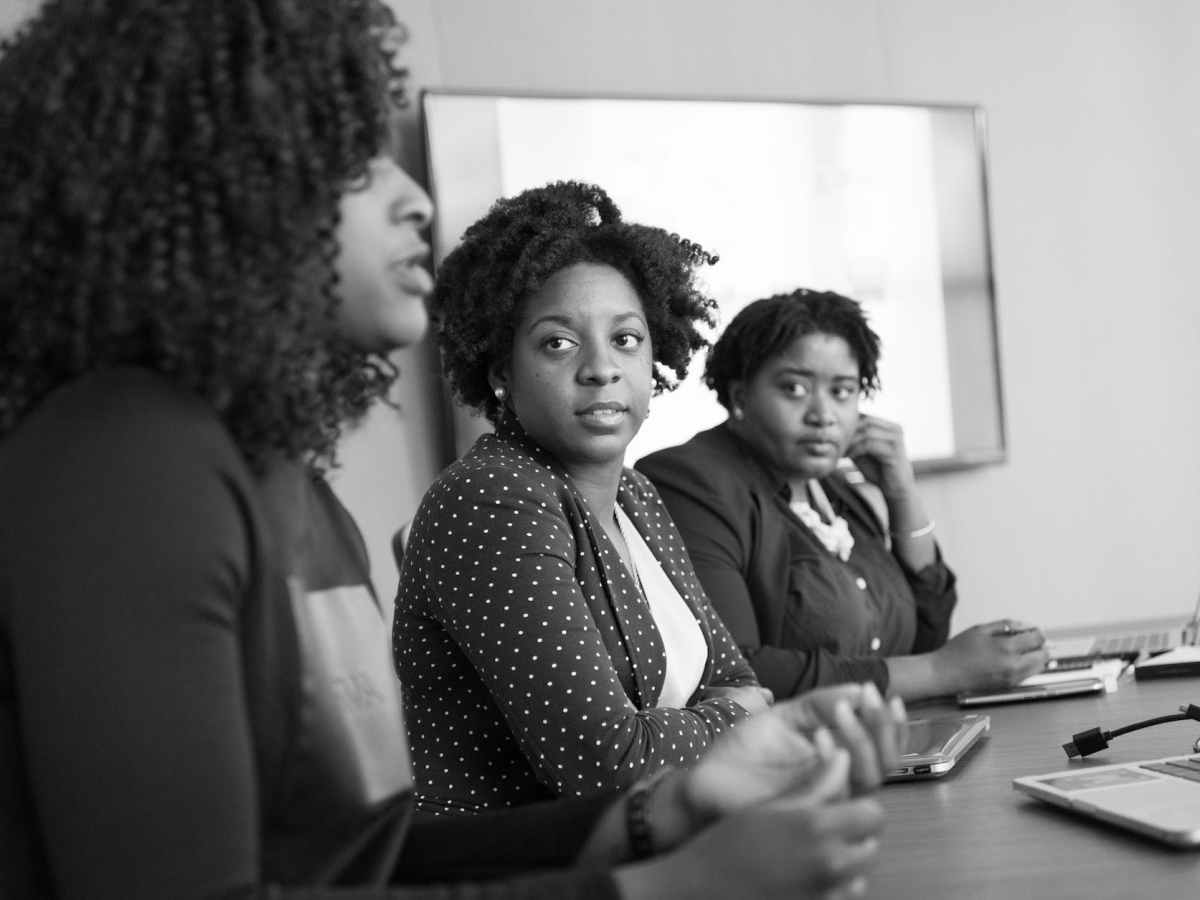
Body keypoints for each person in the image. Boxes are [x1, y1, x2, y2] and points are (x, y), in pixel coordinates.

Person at [0, 3, 903, 898]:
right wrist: (664, 885)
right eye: (356, 159)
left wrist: (661, 814)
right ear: (206, 189)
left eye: (626, 340)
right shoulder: (124, 465)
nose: (416, 199)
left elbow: (356, 862)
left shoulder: (293, 487)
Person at [396, 181, 783, 814]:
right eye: (558, 342)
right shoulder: (491, 497)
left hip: (659, 843)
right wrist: (731, 720)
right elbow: (605, 765)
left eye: (626, 339)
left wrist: (727, 710)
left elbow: (736, 677)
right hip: (526, 873)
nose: (601, 368)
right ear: (500, 372)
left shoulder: (635, 495)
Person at [637, 289, 1049, 701]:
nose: (823, 415)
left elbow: (922, 637)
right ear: (741, 395)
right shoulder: (690, 482)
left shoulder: (835, 487)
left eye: (842, 391)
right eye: (794, 389)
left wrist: (901, 494)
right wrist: (940, 670)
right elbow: (737, 672)